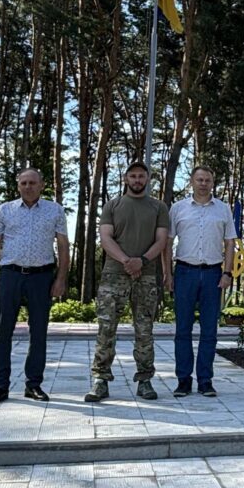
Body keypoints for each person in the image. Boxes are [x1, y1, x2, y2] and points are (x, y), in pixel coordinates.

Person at [0, 168, 69, 405]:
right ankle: (0, 386)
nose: (28, 187)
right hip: (10, 275)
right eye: (24, 183)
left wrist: (60, 279)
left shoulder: (55, 210)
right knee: (3, 333)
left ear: (42, 185)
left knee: (39, 333)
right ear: (18, 185)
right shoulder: (5, 210)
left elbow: (63, 247)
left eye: (32, 183)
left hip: (42, 277)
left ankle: (34, 385)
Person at [86, 162, 169, 402]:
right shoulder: (112, 206)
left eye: (141, 176)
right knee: (106, 327)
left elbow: (162, 240)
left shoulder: (158, 207)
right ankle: (100, 380)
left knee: (144, 329)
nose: (137, 180)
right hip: (114, 274)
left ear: (148, 179)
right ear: (125, 179)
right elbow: (105, 238)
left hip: (146, 275)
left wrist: (141, 261)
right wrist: (126, 261)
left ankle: (145, 380)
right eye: (133, 176)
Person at [163, 166, 237, 398]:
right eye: (199, 179)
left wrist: (227, 273)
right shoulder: (178, 208)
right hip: (185, 272)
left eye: (207, 180)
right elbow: (167, 243)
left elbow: (230, 243)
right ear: (191, 182)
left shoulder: (223, 209)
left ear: (213, 183)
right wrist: (168, 274)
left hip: (213, 274)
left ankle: (205, 380)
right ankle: (183, 380)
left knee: (209, 330)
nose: (203, 183)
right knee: (182, 330)